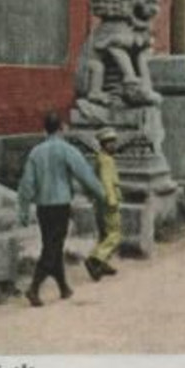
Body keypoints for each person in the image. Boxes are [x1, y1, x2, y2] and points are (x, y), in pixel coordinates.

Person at [17, 112, 105, 306]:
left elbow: (26, 184)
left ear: (44, 129)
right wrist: (102, 195)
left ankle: (63, 286)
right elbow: (85, 175)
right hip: (60, 206)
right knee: (52, 247)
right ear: (61, 128)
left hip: (43, 207)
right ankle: (33, 288)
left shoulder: (36, 152)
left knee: (52, 243)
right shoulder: (67, 150)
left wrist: (23, 210)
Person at [83, 126, 124, 281]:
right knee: (115, 235)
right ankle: (95, 259)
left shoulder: (100, 158)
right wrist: (112, 200)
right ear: (103, 144)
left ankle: (103, 264)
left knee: (104, 235)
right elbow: (107, 182)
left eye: (114, 142)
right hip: (108, 201)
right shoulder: (106, 161)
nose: (113, 145)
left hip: (100, 201)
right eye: (109, 142)